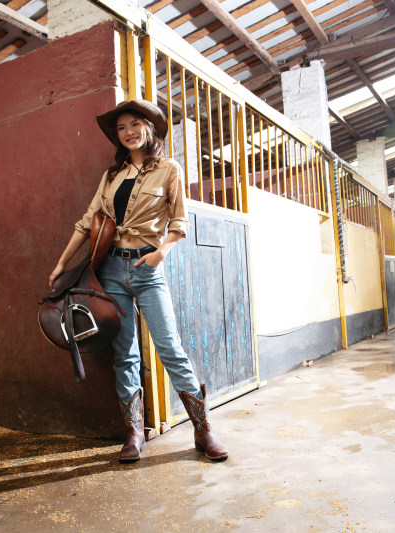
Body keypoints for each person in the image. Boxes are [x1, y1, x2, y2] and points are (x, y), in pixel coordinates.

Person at [49, 99, 228, 463]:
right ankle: (134, 434)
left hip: (148, 270)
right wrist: (62, 264)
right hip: (111, 271)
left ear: (149, 128)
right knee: (124, 354)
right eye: (121, 127)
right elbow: (88, 221)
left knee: (171, 349)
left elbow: (179, 223)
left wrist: (162, 251)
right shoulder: (111, 175)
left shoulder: (168, 169)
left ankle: (203, 429)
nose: (128, 132)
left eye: (135, 124)